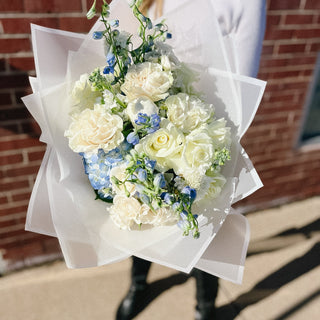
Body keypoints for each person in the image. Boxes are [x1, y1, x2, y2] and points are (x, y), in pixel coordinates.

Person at [115, 0, 266, 319]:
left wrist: (196, 147)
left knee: (205, 228)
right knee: (141, 211)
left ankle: (205, 306)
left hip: (204, 140)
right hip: (144, 130)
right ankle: (139, 284)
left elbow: (241, 91)